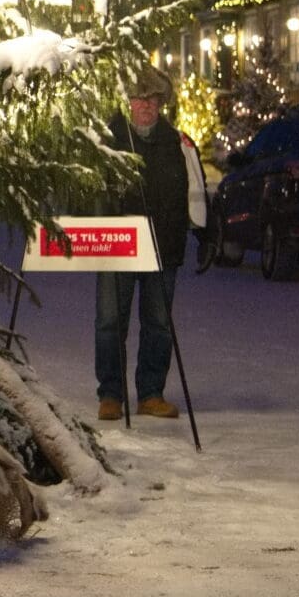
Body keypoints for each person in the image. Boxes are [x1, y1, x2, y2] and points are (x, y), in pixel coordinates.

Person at [94, 64, 206, 422]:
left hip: (164, 248)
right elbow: (87, 193)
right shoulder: (106, 142)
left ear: (160, 104)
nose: (145, 106)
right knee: (110, 321)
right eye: (139, 98)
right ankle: (111, 394)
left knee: (158, 324)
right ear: (127, 101)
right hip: (118, 247)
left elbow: (196, 194)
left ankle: (151, 393)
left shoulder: (178, 144)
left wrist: (205, 234)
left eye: (152, 99)